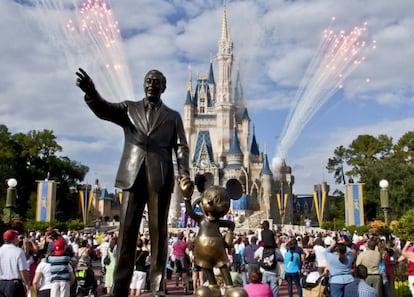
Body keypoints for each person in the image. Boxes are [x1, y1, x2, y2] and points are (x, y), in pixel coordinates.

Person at [76, 67, 192, 297]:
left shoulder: (173, 116)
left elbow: (181, 147)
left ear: (164, 87)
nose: (151, 84)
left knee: (159, 233)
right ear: (144, 85)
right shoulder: (129, 108)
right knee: (126, 232)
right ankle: (119, 287)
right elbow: (104, 109)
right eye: (148, 80)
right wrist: (91, 93)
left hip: (160, 175)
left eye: (156, 81)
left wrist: (184, 172)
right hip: (132, 175)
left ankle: (158, 288)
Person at [0, 229, 31, 297]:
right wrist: (27, 284)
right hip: (14, 284)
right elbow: (23, 270)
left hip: (1, 282)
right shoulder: (18, 251)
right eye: (17, 237)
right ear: (14, 239)